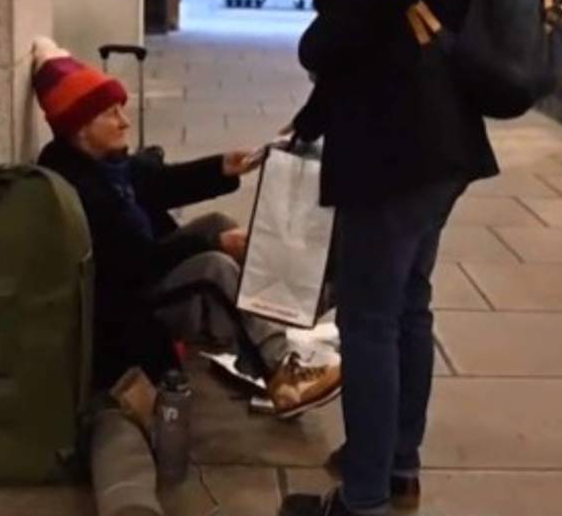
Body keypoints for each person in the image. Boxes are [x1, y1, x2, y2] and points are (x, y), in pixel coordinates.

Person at [279, 0, 498, 516]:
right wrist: (307, 122)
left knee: (370, 319)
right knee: (406, 309)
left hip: (397, 148)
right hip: (435, 144)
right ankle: (396, 468)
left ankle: (366, 497)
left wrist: (314, 46)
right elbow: (389, 26)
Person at [30, 38, 343, 515]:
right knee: (215, 267)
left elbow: (157, 180)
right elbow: (138, 262)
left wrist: (223, 167)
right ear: (79, 128)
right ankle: (283, 372)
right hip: (128, 311)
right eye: (111, 113)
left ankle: (288, 305)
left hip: (140, 281)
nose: (125, 120)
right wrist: (210, 247)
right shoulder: (84, 188)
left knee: (216, 227)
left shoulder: (100, 164)